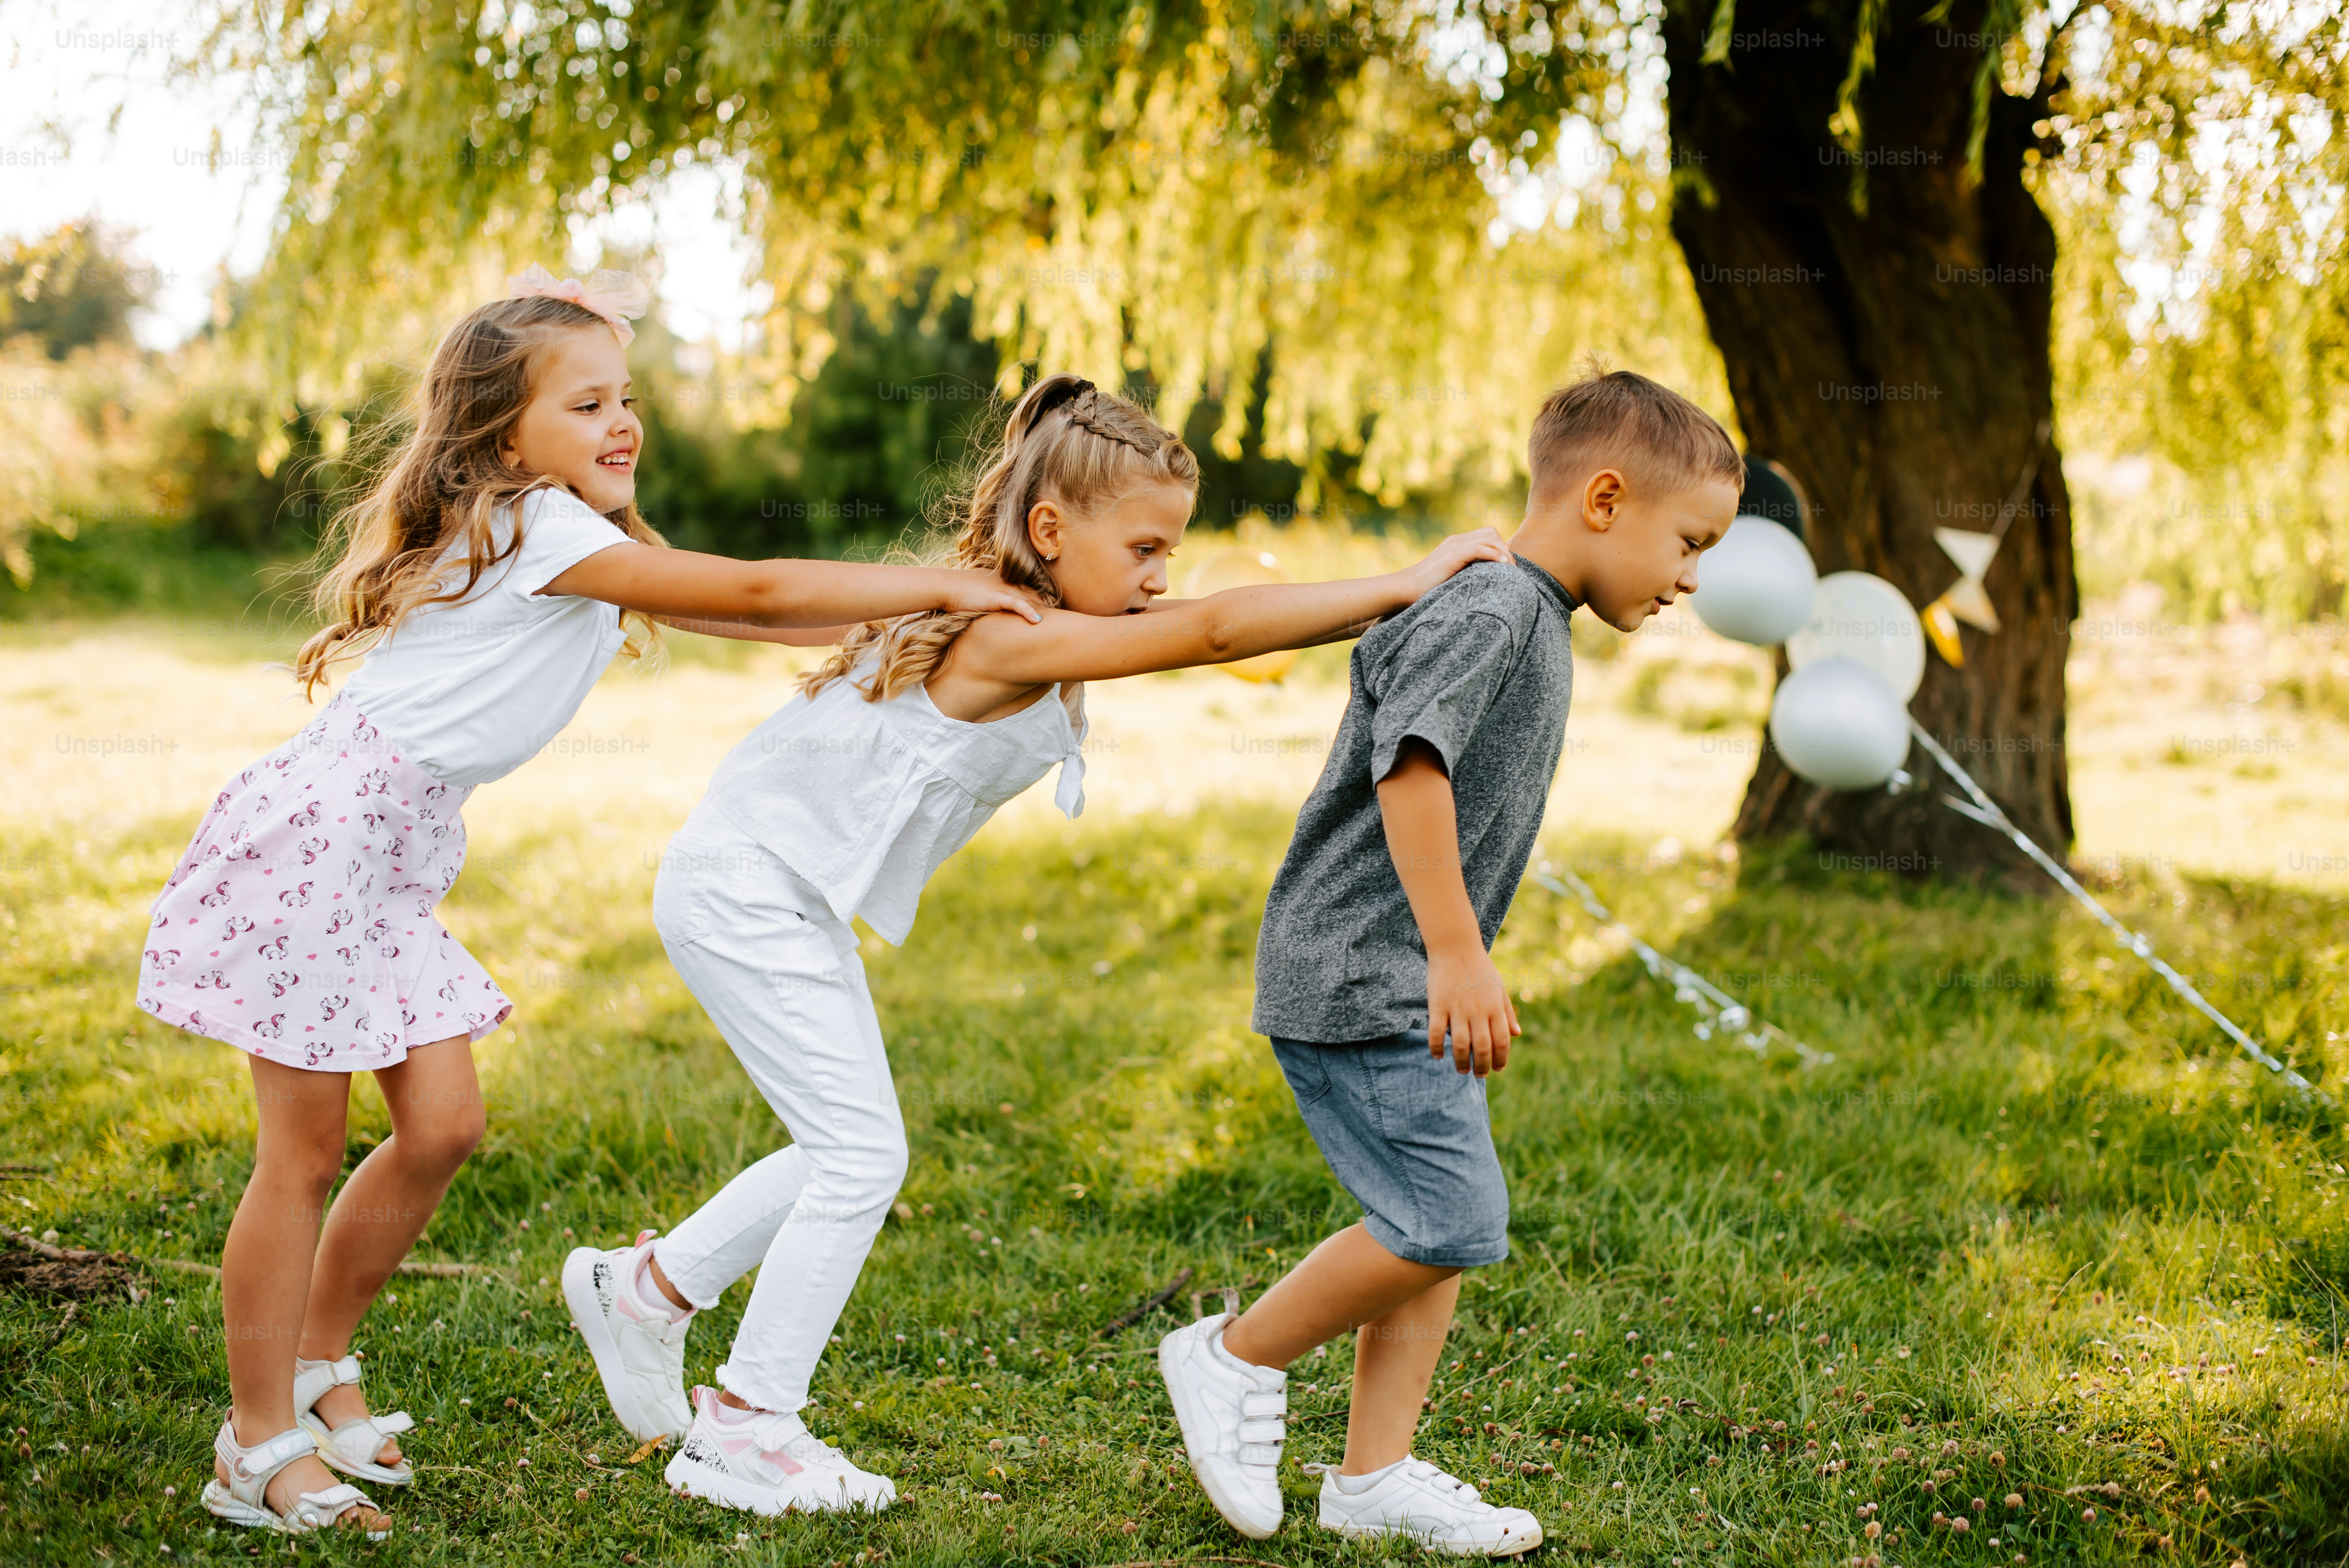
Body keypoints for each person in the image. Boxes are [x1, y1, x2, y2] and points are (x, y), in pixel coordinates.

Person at [141, 265, 1040, 1540]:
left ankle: (317, 1365)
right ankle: (254, 1441)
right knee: (299, 1156)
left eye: (627, 399)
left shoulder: (562, 535)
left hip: (387, 859)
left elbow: (751, 619)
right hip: (323, 847)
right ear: (504, 435)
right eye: (586, 405)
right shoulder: (536, 526)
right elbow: (758, 593)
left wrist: (904, 627)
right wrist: (939, 589)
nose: (622, 424)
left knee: (442, 1127)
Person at [562, 372, 1513, 1518]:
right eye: (1145, 547)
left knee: (845, 1146)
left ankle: (649, 1288)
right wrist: (1410, 581)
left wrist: (1384, 599)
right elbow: (1211, 629)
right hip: (745, 889)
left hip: (774, 894)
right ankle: (747, 1427)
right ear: (1051, 531)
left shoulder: (1029, 623)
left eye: (1172, 549)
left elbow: (1199, 615)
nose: (1161, 575)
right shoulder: (1006, 631)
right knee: (862, 1158)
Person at [1157, 366, 1742, 1554]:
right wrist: (1458, 955)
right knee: (1449, 1218)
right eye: (1688, 543)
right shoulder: (1493, 613)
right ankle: (1230, 1356)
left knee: (1432, 1229)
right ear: (1605, 499)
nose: (1691, 578)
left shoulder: (1528, 614)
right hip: (1369, 969)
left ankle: (1373, 1479)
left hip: (1398, 973)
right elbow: (1410, 770)